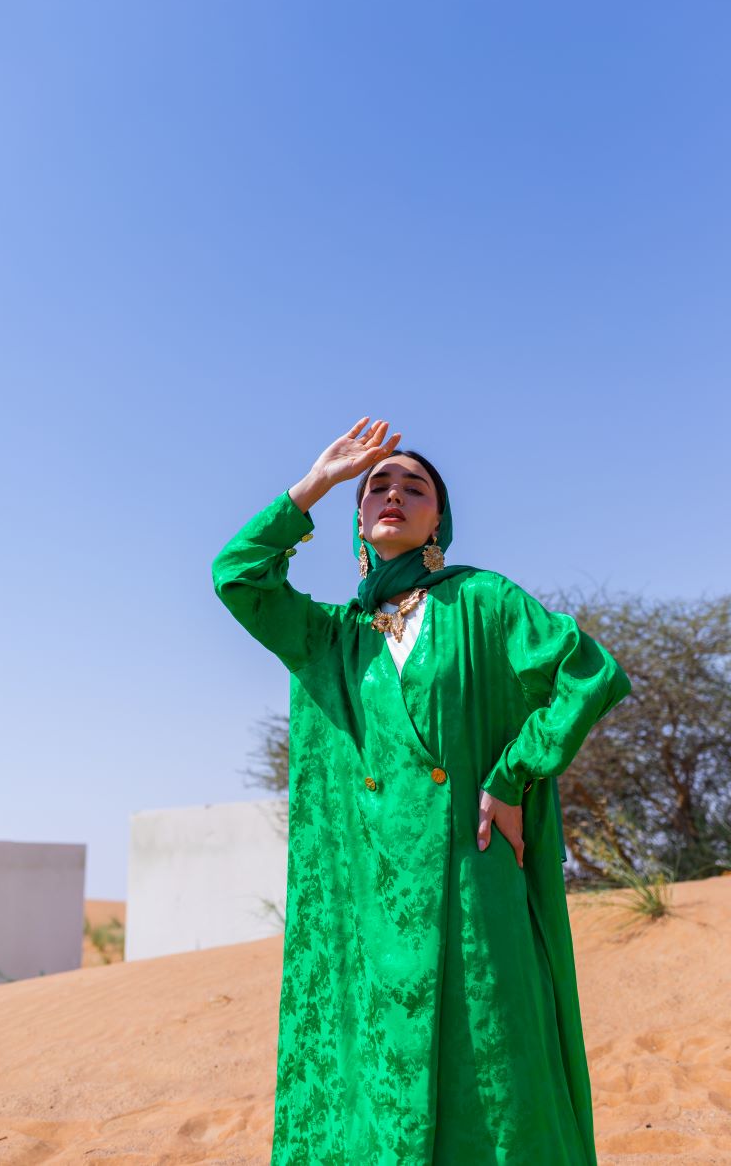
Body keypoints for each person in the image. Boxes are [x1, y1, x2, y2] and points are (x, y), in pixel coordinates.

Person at [211, 417, 632, 1166]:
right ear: (357, 519)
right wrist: (316, 483)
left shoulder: (482, 601)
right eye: (377, 484)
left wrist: (512, 774)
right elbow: (236, 576)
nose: (393, 492)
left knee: (495, 1070)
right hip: (369, 904)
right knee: (372, 1082)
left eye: (415, 486)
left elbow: (587, 674)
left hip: (470, 879)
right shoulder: (331, 636)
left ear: (440, 519)